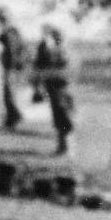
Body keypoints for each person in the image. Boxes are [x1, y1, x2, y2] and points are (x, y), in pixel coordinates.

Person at [33, 24, 75, 155]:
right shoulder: (55, 50)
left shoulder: (59, 50)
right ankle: (63, 144)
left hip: (61, 86)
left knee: (62, 114)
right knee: (60, 114)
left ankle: (64, 144)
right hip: (57, 85)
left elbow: (61, 66)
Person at [0, 7, 27, 130]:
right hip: (6, 66)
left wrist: (18, 62)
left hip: (10, 66)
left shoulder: (11, 32)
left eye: (3, 17)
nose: (2, 19)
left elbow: (18, 49)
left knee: (9, 93)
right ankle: (12, 117)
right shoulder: (4, 31)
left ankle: (14, 117)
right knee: (7, 93)